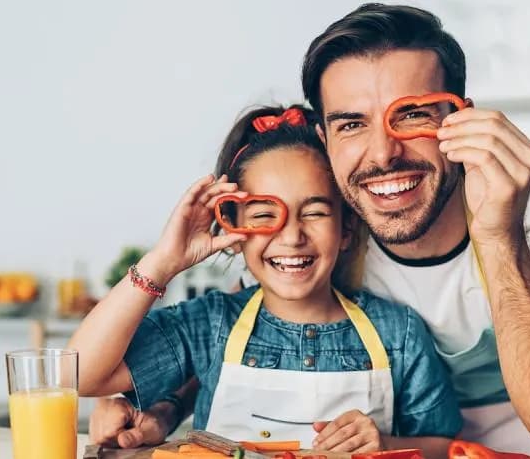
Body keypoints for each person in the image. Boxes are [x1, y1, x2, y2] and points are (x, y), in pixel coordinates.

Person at [89, 3, 530, 459]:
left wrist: (499, 236)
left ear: (460, 119)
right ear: (324, 139)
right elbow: (234, 334)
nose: (383, 154)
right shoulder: (334, 217)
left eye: (412, 115)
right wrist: (159, 405)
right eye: (352, 124)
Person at [70, 104, 462, 458]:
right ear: (234, 229)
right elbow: (79, 375)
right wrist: (162, 262)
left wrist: (386, 444)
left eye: (315, 213)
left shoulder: (399, 333)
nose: (291, 237)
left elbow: (446, 448)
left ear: (346, 228)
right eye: (263, 215)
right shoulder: (209, 324)